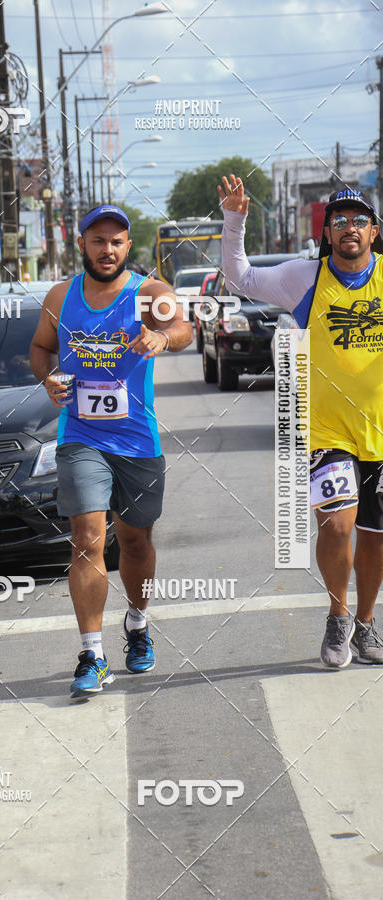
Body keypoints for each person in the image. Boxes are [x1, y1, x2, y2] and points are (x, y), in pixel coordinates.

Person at [218, 174, 383, 668]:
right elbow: (239, 277)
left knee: (376, 536)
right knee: (336, 527)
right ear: (327, 233)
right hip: (325, 431)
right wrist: (234, 219)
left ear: (374, 231)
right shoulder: (304, 278)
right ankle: (338, 616)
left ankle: (366, 626)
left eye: (360, 220)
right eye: (339, 221)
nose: (349, 228)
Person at [30, 205, 192, 697]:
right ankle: (92, 653)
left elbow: (185, 330)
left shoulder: (148, 293)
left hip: (137, 439)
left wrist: (161, 337)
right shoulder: (61, 295)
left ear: (128, 245)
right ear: (83, 244)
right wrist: (49, 379)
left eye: (117, 240)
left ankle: (138, 625)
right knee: (87, 537)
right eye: (98, 240)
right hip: (80, 435)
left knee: (136, 541)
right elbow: (40, 349)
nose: (108, 249)